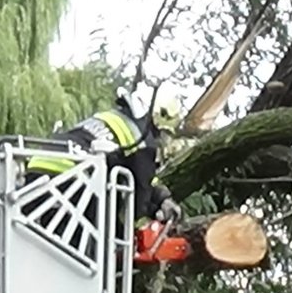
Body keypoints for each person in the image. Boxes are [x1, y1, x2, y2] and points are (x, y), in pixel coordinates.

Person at [24, 97, 182, 231]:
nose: (160, 139)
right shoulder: (143, 140)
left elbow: (144, 178)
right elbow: (139, 200)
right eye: (163, 134)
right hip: (70, 179)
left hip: (37, 169)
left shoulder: (110, 117)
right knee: (88, 245)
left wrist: (162, 198)